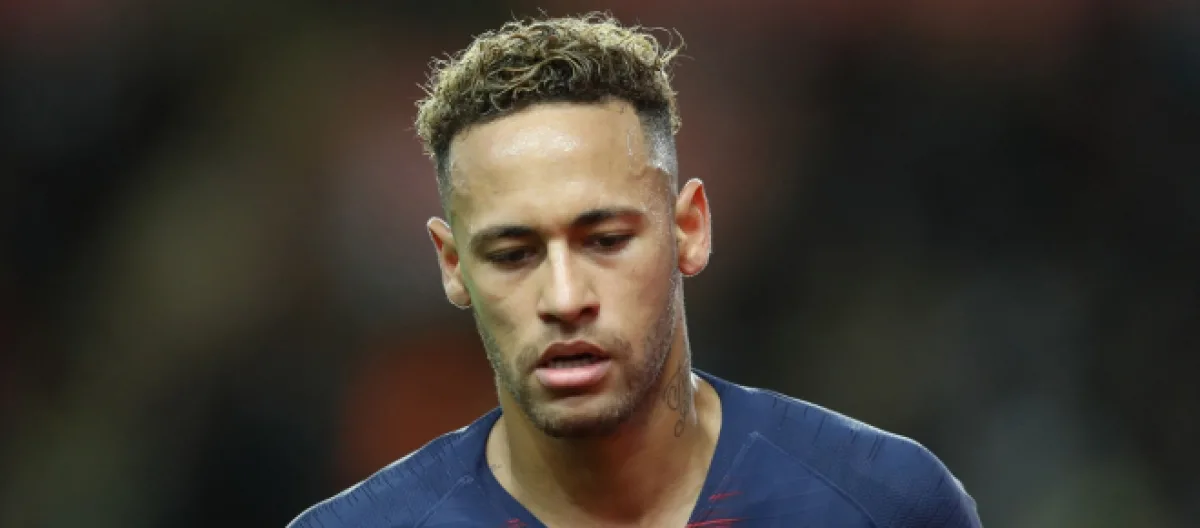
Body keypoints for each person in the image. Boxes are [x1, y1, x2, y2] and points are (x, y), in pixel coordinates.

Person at [289, 12, 982, 528]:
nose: (565, 298)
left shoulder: (882, 503)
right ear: (452, 266)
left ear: (690, 230)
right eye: (513, 254)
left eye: (606, 240)